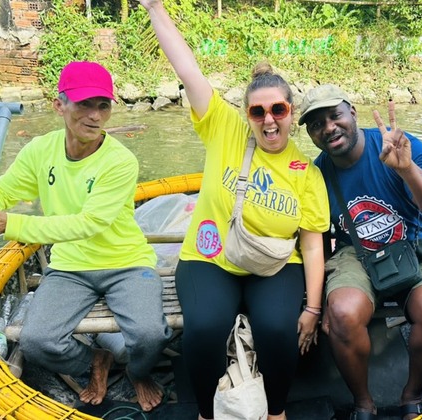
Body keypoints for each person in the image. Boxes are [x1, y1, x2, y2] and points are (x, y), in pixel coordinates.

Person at [0, 61, 171, 412]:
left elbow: (88, 223)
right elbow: (2, 194)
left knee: (149, 336)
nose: (95, 115)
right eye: (84, 104)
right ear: (59, 105)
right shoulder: (41, 150)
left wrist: (8, 224)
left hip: (126, 263)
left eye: (103, 105)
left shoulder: (120, 161)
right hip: (70, 267)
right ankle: (93, 362)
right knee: (37, 342)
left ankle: (139, 373)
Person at [140, 2, 331, 419]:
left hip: (276, 264)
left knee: (279, 329)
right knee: (205, 328)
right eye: (258, 111)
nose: (268, 120)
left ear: (290, 113)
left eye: (278, 110)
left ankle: (276, 412)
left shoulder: (305, 172)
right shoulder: (224, 128)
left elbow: (313, 246)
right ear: (246, 114)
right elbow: (187, 69)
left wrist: (313, 309)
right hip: (211, 258)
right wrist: (155, 7)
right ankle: (208, 413)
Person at [298, 84, 422, 420]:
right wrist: (321, 301)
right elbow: (316, 240)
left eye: (334, 116)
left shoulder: (400, 145)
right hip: (356, 256)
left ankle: (412, 393)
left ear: (352, 113)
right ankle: (363, 402)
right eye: (316, 124)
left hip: (418, 245)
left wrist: (406, 169)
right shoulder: (316, 175)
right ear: (311, 135)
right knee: (343, 312)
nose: (328, 127)